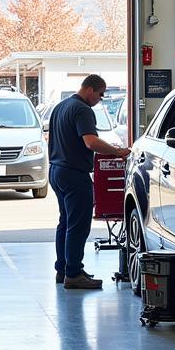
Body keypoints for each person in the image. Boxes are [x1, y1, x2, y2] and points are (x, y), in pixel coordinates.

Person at [48, 74, 130, 289]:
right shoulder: (83, 110)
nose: (100, 99)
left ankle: (63, 269)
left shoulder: (60, 107)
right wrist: (117, 152)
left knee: (65, 222)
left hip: (57, 171)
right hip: (75, 174)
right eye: (100, 94)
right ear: (90, 90)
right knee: (78, 226)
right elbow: (90, 142)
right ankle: (74, 275)